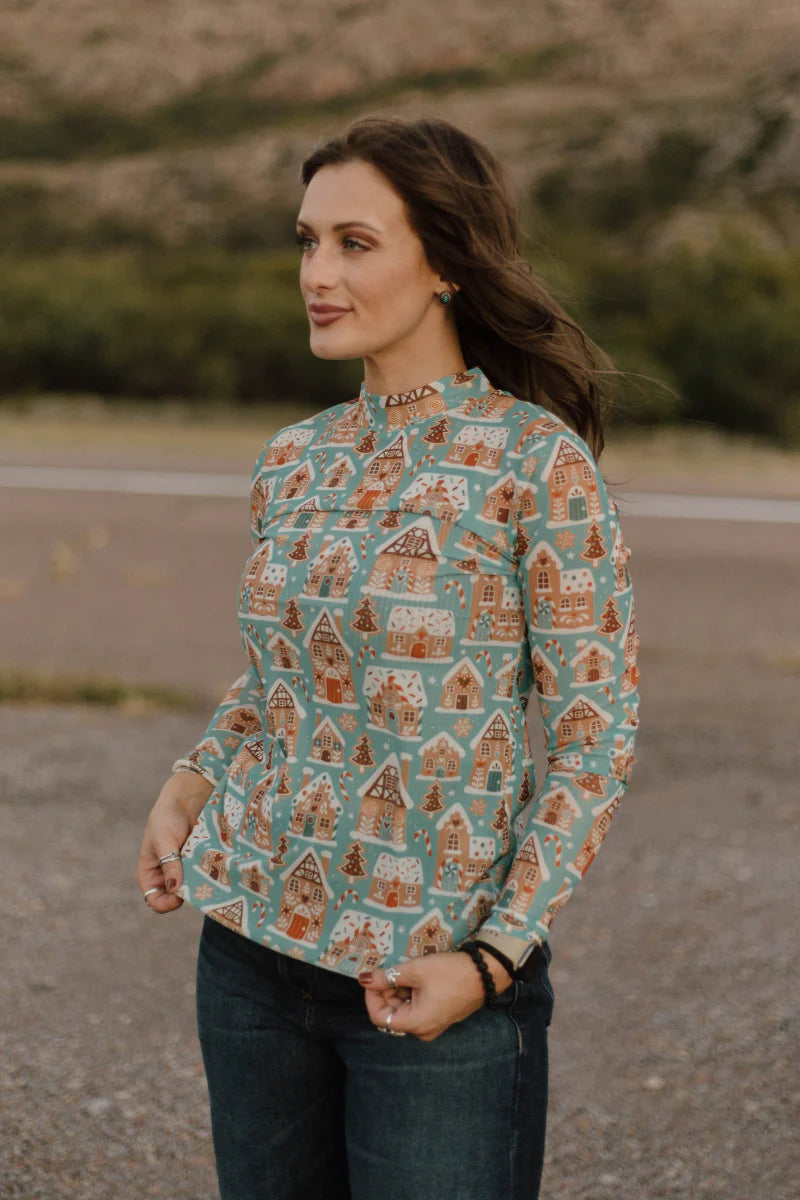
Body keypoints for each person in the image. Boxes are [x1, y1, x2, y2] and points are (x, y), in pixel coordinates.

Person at [137, 115, 640, 1200]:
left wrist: (492, 960)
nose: (316, 275)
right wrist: (190, 781)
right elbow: (284, 676)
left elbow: (594, 738)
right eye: (307, 241)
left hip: (432, 980)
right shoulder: (294, 457)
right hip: (249, 956)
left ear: (447, 262)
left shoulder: (534, 464)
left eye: (353, 243)